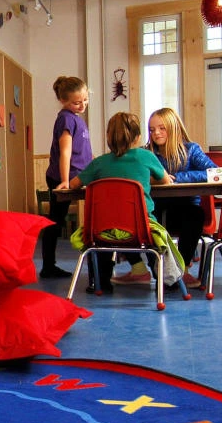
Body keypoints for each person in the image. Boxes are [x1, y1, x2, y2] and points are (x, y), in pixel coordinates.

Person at [113, 107, 216, 288]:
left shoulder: (191, 150)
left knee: (196, 214)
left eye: (161, 128)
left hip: (184, 210)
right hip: (155, 210)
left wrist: (176, 179)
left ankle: (181, 269)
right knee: (125, 215)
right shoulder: (146, 153)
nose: (156, 133)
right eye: (152, 130)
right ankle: (139, 268)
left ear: (173, 127)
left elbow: (214, 172)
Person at [69, 112, 170, 292]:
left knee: (97, 240)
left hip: (103, 229)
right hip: (142, 227)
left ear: (108, 137)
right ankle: (166, 281)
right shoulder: (146, 157)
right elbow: (166, 181)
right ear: (138, 137)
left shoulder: (98, 163)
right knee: (157, 237)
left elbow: (74, 184)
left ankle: (100, 283)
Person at [40, 75, 93, 279]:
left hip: (76, 177)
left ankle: (49, 265)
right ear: (63, 100)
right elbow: (65, 152)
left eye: (85, 100)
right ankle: (48, 265)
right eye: (76, 102)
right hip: (63, 177)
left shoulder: (76, 119)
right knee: (55, 221)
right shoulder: (65, 118)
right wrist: (64, 180)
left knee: (56, 219)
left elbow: (83, 151)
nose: (82, 105)